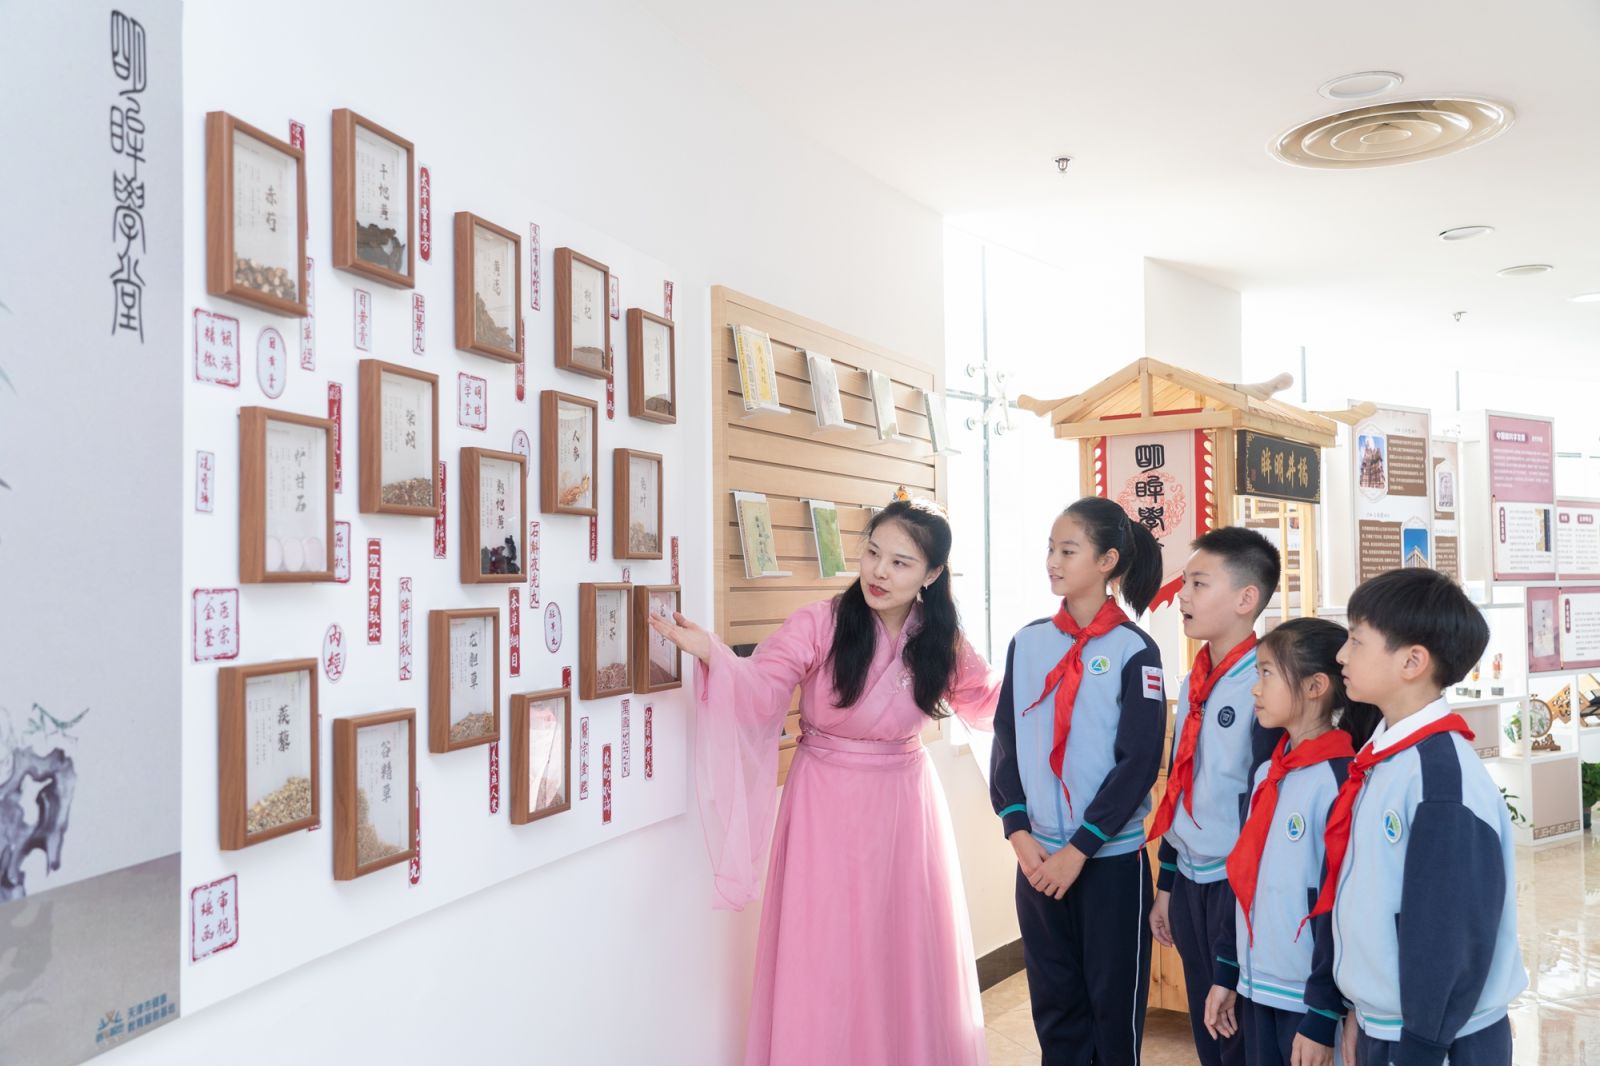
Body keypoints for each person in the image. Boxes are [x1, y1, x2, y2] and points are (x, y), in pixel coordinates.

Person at [649, 496, 1003, 1066]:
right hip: (824, 804)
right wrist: (713, 654)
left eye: (900, 563)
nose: (879, 572)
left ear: (932, 574)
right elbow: (763, 686)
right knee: (825, 949)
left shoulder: (942, 641)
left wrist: (1056, 681)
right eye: (873, 553)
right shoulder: (821, 622)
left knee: (901, 947)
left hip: (904, 805)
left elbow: (989, 702)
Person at [1316, 568, 1527, 1066]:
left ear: (1412, 661)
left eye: (1356, 641)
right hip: (1392, 1023)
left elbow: (1449, 931)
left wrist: (1421, 1045)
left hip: (1439, 1039)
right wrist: (1359, 1008)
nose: (1341, 655)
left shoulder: (1439, 782)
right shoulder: (1387, 756)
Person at [989, 497, 1168, 1064]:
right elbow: (1006, 740)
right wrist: (1018, 832)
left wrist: (1080, 848)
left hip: (1108, 863)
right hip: (1037, 860)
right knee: (1055, 1012)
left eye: (1068, 551)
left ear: (1108, 561)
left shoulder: (1136, 650)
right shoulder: (1027, 642)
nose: (1053, 562)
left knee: (1112, 1018)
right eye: (1050, 549)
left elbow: (1139, 762)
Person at [1149, 526, 1283, 1066]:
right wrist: (1167, 883)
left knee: (1240, 1033)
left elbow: (1262, 806)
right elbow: (1183, 786)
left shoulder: (1265, 686)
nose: (1182, 595)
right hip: (1191, 880)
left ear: (1246, 599)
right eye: (1185, 582)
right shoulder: (1197, 677)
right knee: (1209, 1031)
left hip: (1236, 883)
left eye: (1199, 584)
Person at [1222, 618, 1379, 1066]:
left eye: (1267, 673)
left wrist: (1323, 1011)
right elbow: (1244, 878)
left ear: (1315, 687)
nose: (1255, 688)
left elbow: (1340, 905)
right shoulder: (1266, 775)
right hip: (1257, 985)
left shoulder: (1340, 780)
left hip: (1308, 1000)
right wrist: (1227, 970)